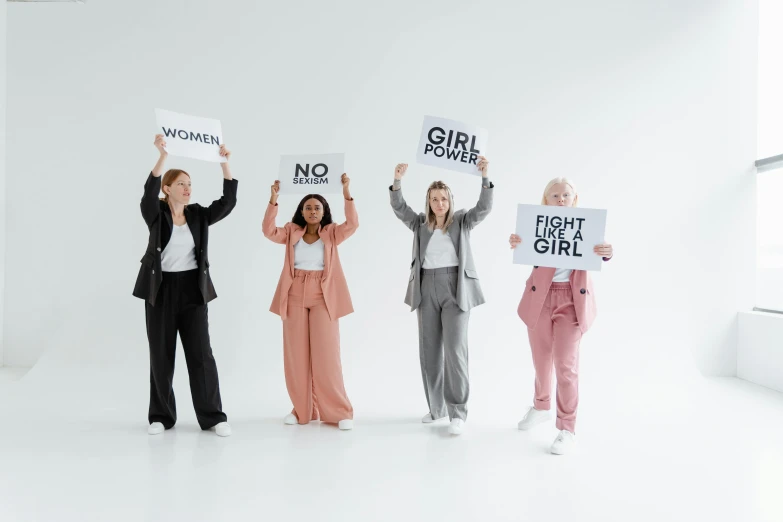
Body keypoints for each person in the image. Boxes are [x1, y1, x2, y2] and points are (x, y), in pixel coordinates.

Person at [133, 134, 237, 437]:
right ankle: (161, 417)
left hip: (193, 290)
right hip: (160, 291)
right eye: (181, 183)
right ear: (168, 189)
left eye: (190, 183)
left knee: (201, 355)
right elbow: (146, 196)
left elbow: (228, 202)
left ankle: (214, 417)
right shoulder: (156, 215)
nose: (187, 188)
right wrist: (162, 157)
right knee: (161, 355)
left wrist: (224, 164)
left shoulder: (199, 216)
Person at [388, 158, 493, 435]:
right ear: (429, 202)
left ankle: (458, 411)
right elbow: (399, 208)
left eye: (443, 198)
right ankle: (437, 409)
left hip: (455, 287)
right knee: (429, 351)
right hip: (425, 287)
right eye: (434, 199)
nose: (439, 203)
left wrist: (484, 176)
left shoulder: (462, 221)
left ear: (450, 200)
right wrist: (397, 182)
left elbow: (484, 208)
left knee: (455, 351)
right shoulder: (420, 223)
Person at [510, 177, 613, 454]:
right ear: (546, 200)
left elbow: (600, 252)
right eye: (554, 195)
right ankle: (541, 405)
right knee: (541, 359)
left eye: (566, 194)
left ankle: (567, 427)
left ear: (574, 198)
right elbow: (528, 253)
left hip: (571, 300)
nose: (560, 199)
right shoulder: (536, 225)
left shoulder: (587, 226)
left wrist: (607, 252)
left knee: (566, 366)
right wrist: (518, 242)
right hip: (540, 297)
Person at [263, 174, 357, 430]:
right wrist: (273, 199)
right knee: (296, 356)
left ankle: (338, 413)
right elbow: (268, 231)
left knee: (326, 355)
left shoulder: (332, 233)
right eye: (308, 207)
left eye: (317, 207)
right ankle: (303, 410)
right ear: (301, 212)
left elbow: (353, 224)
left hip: (323, 295)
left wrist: (346, 192)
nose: (313, 211)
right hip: (294, 292)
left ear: (324, 211)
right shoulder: (292, 231)